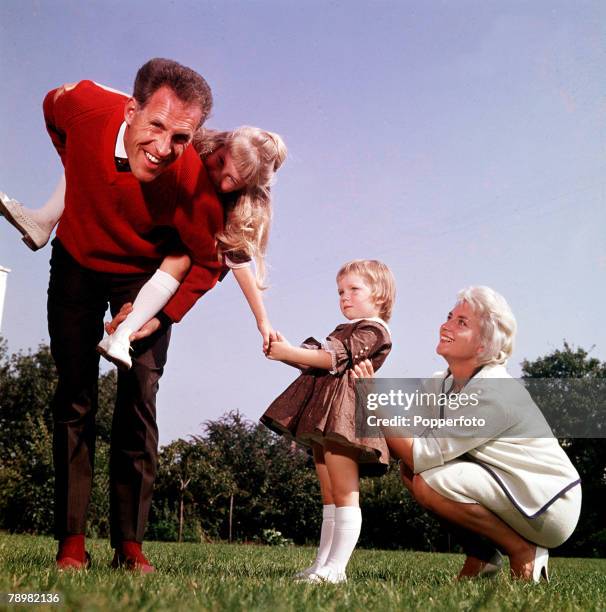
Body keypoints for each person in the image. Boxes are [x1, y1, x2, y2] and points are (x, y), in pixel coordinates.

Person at [32, 58, 224, 572]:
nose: (164, 149)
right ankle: (72, 541)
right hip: (75, 261)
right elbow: (53, 107)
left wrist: (164, 316)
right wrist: (73, 167)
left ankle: (129, 545)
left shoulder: (192, 180)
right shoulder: (87, 107)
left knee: (139, 401)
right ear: (130, 109)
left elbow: (211, 259)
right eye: (155, 126)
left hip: (143, 282)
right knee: (74, 397)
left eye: (181, 137)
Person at [0, 125, 287, 365]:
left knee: (182, 257)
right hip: (129, 227)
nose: (218, 173)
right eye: (221, 161)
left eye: (231, 180)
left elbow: (238, 264)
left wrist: (262, 321)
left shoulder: (236, 210)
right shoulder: (191, 143)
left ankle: (123, 333)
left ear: (246, 187)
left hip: (159, 271)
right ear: (222, 143)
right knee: (105, 147)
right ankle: (45, 218)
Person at [354, 286, 582, 582]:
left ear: (483, 345)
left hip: (548, 504)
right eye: (450, 316)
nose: (445, 325)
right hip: (508, 486)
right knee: (411, 473)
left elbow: (421, 454)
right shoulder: (441, 383)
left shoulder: (494, 392)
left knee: (428, 478)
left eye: (462, 322)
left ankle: (524, 550)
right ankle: (483, 556)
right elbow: (405, 436)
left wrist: (373, 400)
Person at [261, 260, 396, 583]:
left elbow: (330, 358)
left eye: (354, 289)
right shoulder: (343, 329)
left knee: (345, 491)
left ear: (378, 295)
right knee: (329, 493)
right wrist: (287, 350)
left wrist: (289, 353)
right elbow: (317, 363)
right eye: (340, 291)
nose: (344, 297)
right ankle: (322, 565)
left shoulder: (374, 330)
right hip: (326, 416)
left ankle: (337, 569)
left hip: (345, 418)